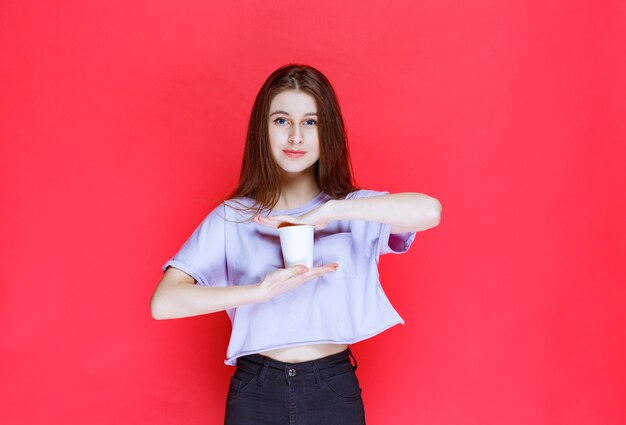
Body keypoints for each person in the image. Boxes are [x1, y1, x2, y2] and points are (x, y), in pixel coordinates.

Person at [150, 64, 441, 425]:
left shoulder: (354, 209)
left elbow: (430, 211)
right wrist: (258, 292)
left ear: (327, 131)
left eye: (310, 122)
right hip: (255, 389)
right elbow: (164, 303)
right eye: (281, 121)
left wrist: (331, 210)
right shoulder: (234, 216)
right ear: (263, 129)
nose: (295, 138)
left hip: (332, 389)